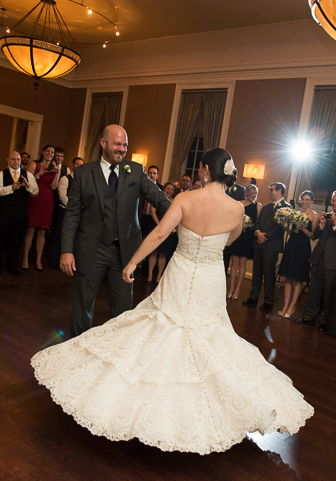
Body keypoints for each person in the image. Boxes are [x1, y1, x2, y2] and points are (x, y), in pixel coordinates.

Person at [32, 147, 313, 454]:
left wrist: (132, 264)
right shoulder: (237, 209)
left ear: (205, 169)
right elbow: (230, 241)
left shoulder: (185, 200)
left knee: (162, 327)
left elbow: (159, 234)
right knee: (209, 334)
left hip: (181, 270)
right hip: (210, 277)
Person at [59, 124, 171, 338]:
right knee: (83, 307)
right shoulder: (83, 173)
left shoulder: (135, 170)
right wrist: (66, 250)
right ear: (103, 143)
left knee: (122, 311)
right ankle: (75, 354)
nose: (122, 149)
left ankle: (115, 356)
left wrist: (183, 211)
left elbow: (158, 198)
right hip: (92, 249)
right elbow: (72, 214)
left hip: (125, 253)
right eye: (117, 144)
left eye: (125, 145)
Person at [297, 190, 336, 331]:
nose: (334, 203)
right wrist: (322, 225)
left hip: (333, 262)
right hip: (318, 258)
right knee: (314, 290)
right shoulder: (327, 217)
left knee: (328, 293)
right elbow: (315, 235)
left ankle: (324, 321)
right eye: (333, 201)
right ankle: (310, 317)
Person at [243, 182, 292, 310]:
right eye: (270, 190)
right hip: (258, 244)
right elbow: (257, 222)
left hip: (271, 245)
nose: (270, 192)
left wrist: (265, 237)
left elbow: (280, 229)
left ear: (280, 191)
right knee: (256, 272)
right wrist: (258, 233)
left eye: (272, 190)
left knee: (269, 274)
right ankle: (253, 297)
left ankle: (268, 301)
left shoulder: (287, 208)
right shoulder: (266, 206)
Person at [0, 151, 39, 275]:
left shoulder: (28, 175)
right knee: (0, 240)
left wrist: (28, 186)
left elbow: (35, 192)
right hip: (4, 212)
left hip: (20, 213)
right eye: (13, 159)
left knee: (16, 241)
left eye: (18, 159)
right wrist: (11, 188)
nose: (16, 161)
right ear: (8, 160)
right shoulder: (1, 174)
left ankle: (12, 267)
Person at [278, 190, 320, 318]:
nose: (305, 202)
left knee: (298, 278)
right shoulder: (296, 213)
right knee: (289, 277)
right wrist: (285, 226)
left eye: (307, 200)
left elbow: (313, 236)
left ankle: (292, 307)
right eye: (303, 199)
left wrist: (304, 229)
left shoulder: (314, 216)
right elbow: (292, 232)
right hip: (292, 244)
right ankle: (285, 305)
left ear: (312, 201)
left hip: (303, 246)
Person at [22, 145, 61, 272]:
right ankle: (25, 258)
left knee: (42, 231)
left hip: (47, 199)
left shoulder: (54, 168)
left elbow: (54, 187)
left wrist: (57, 173)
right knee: (30, 230)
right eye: (48, 151)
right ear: (43, 152)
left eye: (52, 152)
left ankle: (38, 259)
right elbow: (28, 181)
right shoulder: (35, 164)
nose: (50, 153)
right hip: (34, 197)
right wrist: (40, 174)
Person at [226, 184, 261, 300]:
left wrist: (249, 225)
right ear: (247, 193)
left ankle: (238, 288)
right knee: (234, 262)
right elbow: (233, 219)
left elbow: (257, 223)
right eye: (252, 193)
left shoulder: (258, 206)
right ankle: (231, 287)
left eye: (255, 194)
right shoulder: (239, 204)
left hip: (248, 236)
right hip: (237, 235)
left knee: (242, 263)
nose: (254, 196)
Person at [50, 156, 84, 269]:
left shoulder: (84, 180)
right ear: (73, 165)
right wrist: (75, 206)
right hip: (65, 211)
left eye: (81, 164)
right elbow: (62, 196)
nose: (79, 166)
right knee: (60, 237)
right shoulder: (65, 179)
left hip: (79, 213)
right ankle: (55, 262)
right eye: (77, 164)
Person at [150, 182, 178, 282]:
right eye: (168, 188)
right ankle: (150, 275)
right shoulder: (158, 198)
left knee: (163, 253)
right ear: (164, 189)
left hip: (168, 230)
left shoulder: (174, 202)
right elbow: (152, 212)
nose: (169, 191)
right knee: (154, 252)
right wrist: (159, 225)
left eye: (171, 189)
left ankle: (158, 276)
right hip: (156, 226)